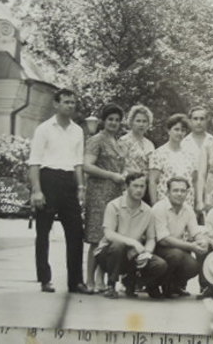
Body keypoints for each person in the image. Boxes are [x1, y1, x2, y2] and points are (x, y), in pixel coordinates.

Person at [28, 88, 88, 294]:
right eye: (66, 102)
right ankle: (45, 279)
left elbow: (78, 163)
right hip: (48, 180)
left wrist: (80, 187)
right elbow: (34, 163)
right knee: (43, 233)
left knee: (76, 233)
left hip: (69, 183)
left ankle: (76, 282)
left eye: (73, 102)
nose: (70, 106)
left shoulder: (78, 131)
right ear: (56, 104)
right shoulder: (44, 129)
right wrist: (37, 191)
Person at [94, 172, 167, 299]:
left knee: (160, 264)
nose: (139, 190)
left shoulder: (148, 211)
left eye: (142, 186)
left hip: (134, 254)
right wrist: (133, 242)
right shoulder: (114, 205)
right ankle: (111, 285)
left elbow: (151, 238)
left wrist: (146, 253)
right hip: (109, 254)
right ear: (126, 187)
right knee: (118, 245)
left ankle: (132, 282)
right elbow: (109, 234)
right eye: (135, 186)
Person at [82, 103, 127, 293]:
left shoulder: (117, 141)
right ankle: (90, 280)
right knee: (96, 238)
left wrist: (123, 174)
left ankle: (101, 277)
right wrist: (111, 175)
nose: (114, 123)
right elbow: (87, 166)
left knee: (108, 237)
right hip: (99, 193)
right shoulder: (96, 140)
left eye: (117, 120)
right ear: (103, 121)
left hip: (115, 194)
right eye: (110, 119)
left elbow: (119, 166)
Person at [152, 176, 209, 298]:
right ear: (168, 192)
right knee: (177, 255)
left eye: (183, 191)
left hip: (175, 248)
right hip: (156, 249)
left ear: (187, 193)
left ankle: (174, 286)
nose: (179, 194)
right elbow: (163, 240)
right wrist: (191, 246)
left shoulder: (187, 209)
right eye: (175, 190)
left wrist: (202, 241)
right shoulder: (159, 208)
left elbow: (195, 231)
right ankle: (154, 284)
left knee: (193, 266)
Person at [149, 114, 198, 206]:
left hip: (187, 204)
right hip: (165, 204)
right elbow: (153, 181)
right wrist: (154, 205)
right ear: (168, 130)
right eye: (176, 129)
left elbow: (194, 181)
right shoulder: (158, 153)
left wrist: (196, 204)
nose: (179, 133)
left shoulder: (191, 154)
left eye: (183, 130)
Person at [119, 104, 156, 178]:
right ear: (131, 122)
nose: (141, 124)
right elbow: (120, 167)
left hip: (146, 183)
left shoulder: (150, 144)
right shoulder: (123, 141)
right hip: (129, 182)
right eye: (138, 121)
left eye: (144, 121)